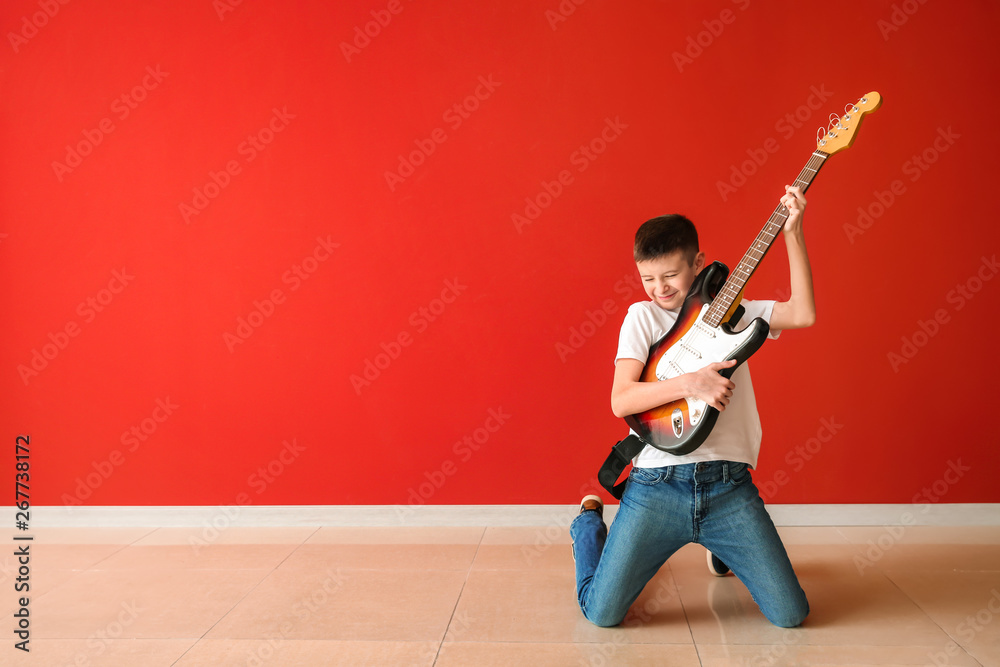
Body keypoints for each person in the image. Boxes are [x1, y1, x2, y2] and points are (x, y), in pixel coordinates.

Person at [570, 185, 814, 628]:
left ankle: (721, 546)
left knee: (791, 614)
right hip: (655, 484)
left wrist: (793, 233)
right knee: (601, 613)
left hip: (727, 485)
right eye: (648, 278)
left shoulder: (734, 311)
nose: (659, 288)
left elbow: (803, 313)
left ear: (698, 264)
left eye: (670, 275)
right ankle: (588, 524)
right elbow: (621, 399)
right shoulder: (641, 317)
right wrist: (692, 383)